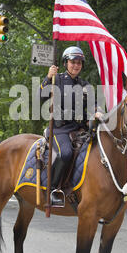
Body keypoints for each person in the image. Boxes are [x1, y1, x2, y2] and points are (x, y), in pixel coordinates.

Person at [40, 46, 102, 205]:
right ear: (65, 63)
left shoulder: (85, 84)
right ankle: (53, 189)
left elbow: (95, 104)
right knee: (66, 153)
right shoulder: (57, 79)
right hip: (60, 128)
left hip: (80, 129)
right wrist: (48, 78)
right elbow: (41, 97)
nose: (76, 65)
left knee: (97, 153)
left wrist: (98, 111)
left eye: (79, 63)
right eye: (73, 62)